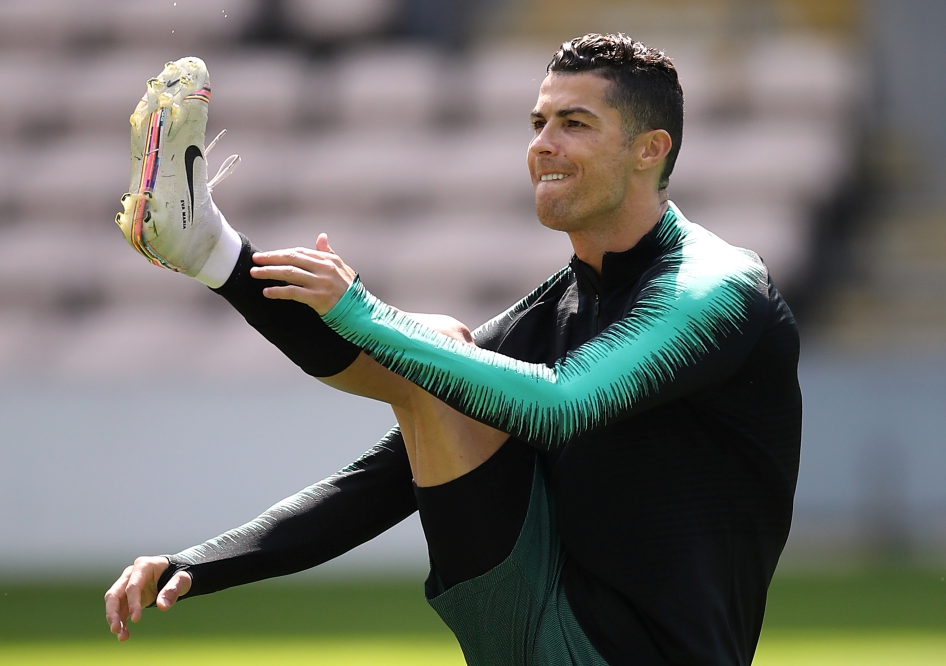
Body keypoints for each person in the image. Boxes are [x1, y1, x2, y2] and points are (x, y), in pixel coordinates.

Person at [105, 33, 801, 666]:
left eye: (574, 124)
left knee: (436, 347)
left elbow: (564, 405)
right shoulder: (555, 307)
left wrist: (362, 311)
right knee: (437, 357)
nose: (543, 144)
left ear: (651, 149)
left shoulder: (716, 288)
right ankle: (209, 250)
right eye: (538, 123)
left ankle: (214, 250)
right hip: (536, 630)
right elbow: (379, 481)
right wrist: (199, 563)